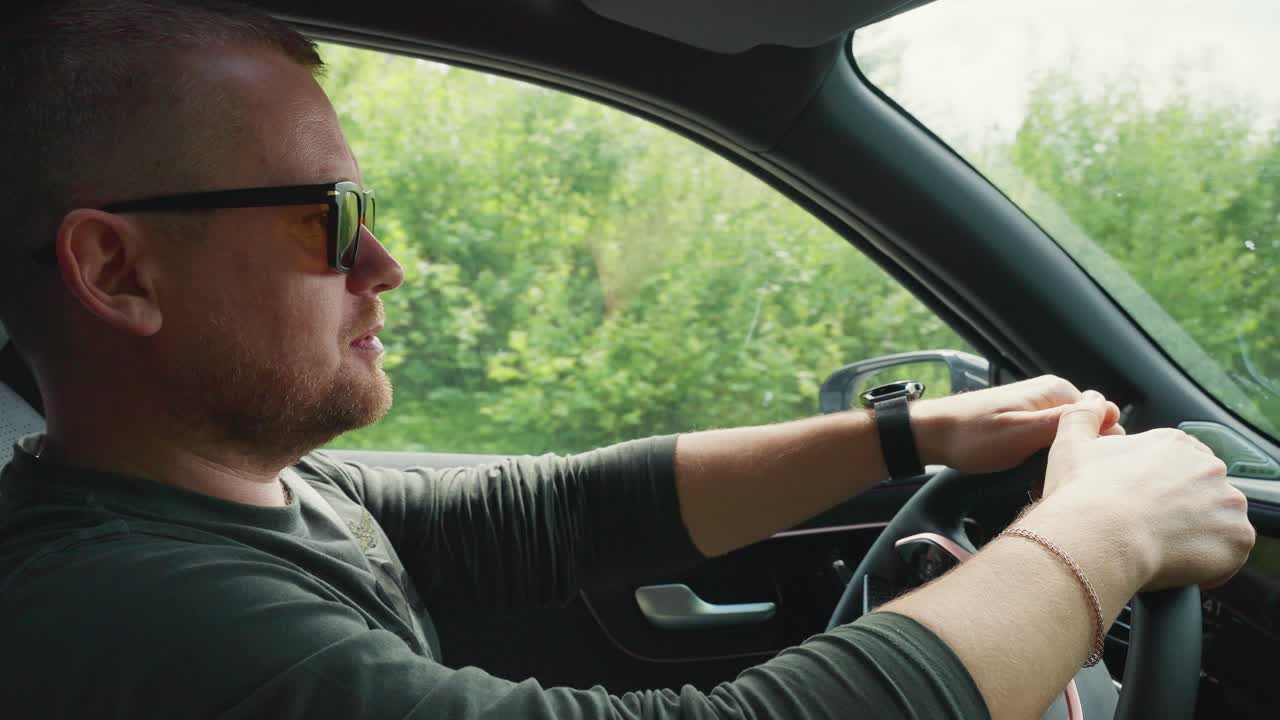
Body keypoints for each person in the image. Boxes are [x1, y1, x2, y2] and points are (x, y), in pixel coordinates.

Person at [0, 2, 1254, 719]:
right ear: (118, 271)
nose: (382, 264)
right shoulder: (129, 614)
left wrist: (909, 434)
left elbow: (556, 514)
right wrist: (1101, 541)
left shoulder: (241, 496)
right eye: (323, 219)